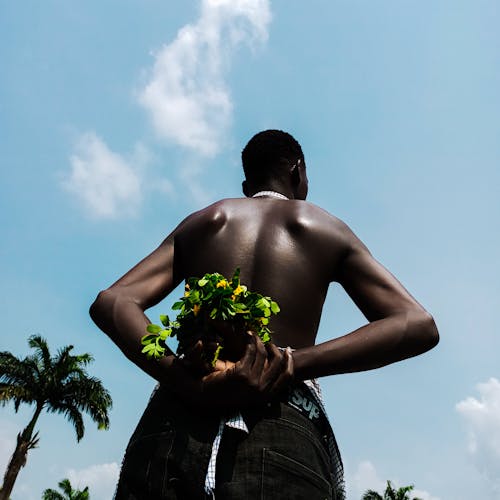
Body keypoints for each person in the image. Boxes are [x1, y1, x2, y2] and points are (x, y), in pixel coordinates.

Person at [89, 129, 439, 500]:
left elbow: (113, 302)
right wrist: (290, 363)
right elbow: (417, 324)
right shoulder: (322, 226)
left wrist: (186, 381)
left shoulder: (207, 221)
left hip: (175, 420)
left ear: (247, 184)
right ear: (297, 171)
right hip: (280, 422)